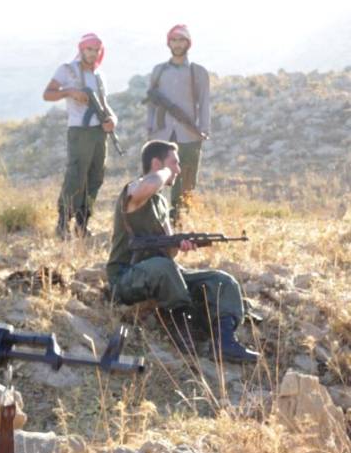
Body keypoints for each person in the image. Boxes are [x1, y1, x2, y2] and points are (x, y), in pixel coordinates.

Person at [106, 140, 258, 364]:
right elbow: (145, 188)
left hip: (160, 273)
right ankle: (179, 323)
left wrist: (181, 244)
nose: (178, 169)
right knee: (164, 268)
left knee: (222, 281)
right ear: (157, 163)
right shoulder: (135, 189)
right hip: (125, 278)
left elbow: (168, 253)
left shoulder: (159, 202)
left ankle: (224, 341)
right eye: (174, 163)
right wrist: (165, 172)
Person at [43, 33, 118, 238]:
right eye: (89, 49)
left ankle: (83, 223)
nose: (92, 54)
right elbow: (48, 94)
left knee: (95, 177)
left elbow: (104, 103)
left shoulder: (99, 75)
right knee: (76, 176)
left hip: (99, 132)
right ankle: (62, 223)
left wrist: (113, 119)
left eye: (96, 50)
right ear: (81, 50)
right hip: (79, 131)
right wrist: (69, 92)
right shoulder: (67, 70)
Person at [145, 24, 211, 223]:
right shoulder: (159, 71)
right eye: (174, 40)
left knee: (187, 177)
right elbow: (152, 102)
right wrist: (150, 128)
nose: (177, 44)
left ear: (188, 43)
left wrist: (203, 129)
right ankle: (153, 217)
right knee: (157, 176)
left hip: (188, 133)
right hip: (162, 133)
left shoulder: (197, 72)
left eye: (181, 40)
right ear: (169, 43)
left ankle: (180, 217)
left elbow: (204, 102)